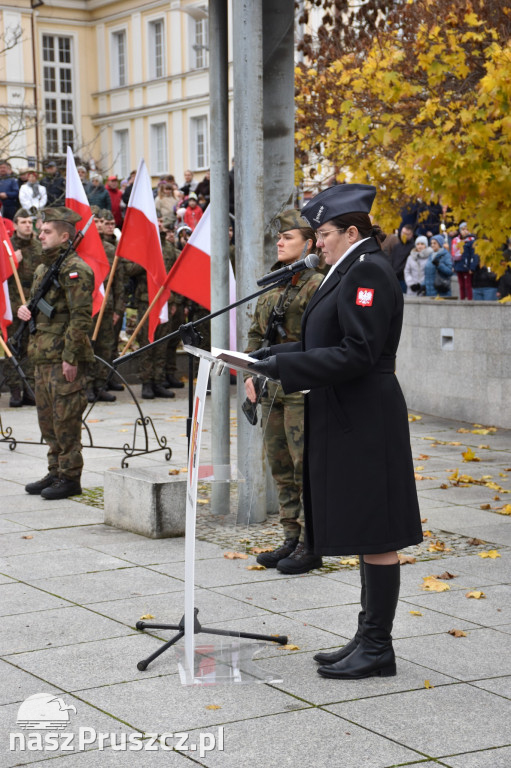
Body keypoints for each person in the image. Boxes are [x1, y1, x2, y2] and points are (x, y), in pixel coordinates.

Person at [249, 183, 423, 680]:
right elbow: (324, 341)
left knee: (379, 531)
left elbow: (359, 352)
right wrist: (274, 356)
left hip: (366, 415)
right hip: (349, 411)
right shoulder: (345, 268)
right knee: (370, 531)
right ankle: (368, 637)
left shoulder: (366, 270)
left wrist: (285, 368)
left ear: (351, 231)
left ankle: (377, 646)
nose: (316, 241)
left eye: (323, 233)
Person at [244, 210, 324, 574]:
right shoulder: (276, 284)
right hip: (271, 388)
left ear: (309, 244)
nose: (280, 242)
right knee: (280, 467)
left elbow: (315, 341)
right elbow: (256, 335)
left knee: (303, 466)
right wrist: (249, 371)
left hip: (300, 388)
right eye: (279, 237)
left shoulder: (316, 284)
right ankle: (291, 536)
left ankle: (312, 542)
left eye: (288, 238)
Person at [17, 207, 95, 500]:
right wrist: (25, 310)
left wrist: (71, 357)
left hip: (63, 357)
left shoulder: (76, 270)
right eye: (40, 230)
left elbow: (80, 318)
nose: (40, 235)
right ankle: (55, 471)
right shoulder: (42, 269)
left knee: (67, 419)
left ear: (65, 236)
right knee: (47, 419)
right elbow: (39, 307)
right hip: (42, 356)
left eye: (47, 231)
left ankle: (70, 477)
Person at [5, 208, 42, 406]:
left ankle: (30, 389)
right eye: (23, 222)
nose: (28, 225)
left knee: (31, 347)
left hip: (34, 302)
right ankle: (15, 390)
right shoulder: (7, 247)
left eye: (30, 222)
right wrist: (12, 263)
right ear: (16, 225)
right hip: (12, 302)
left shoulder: (38, 246)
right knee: (14, 346)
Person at [383, 223, 414, 293]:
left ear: (411, 235)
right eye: (403, 233)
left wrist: (396, 273)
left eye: (407, 234)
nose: (404, 235)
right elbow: (391, 259)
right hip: (393, 277)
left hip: (403, 279)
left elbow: (406, 264)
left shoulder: (412, 247)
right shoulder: (397, 246)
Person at [450, 222, 477, 300]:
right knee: (461, 285)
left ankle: (469, 299)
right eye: (463, 229)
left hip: (466, 265)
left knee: (467, 284)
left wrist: (472, 267)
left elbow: (473, 255)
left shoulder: (471, 241)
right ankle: (462, 299)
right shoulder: (455, 240)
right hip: (458, 264)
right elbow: (453, 254)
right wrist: (453, 266)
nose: (465, 231)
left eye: (467, 229)